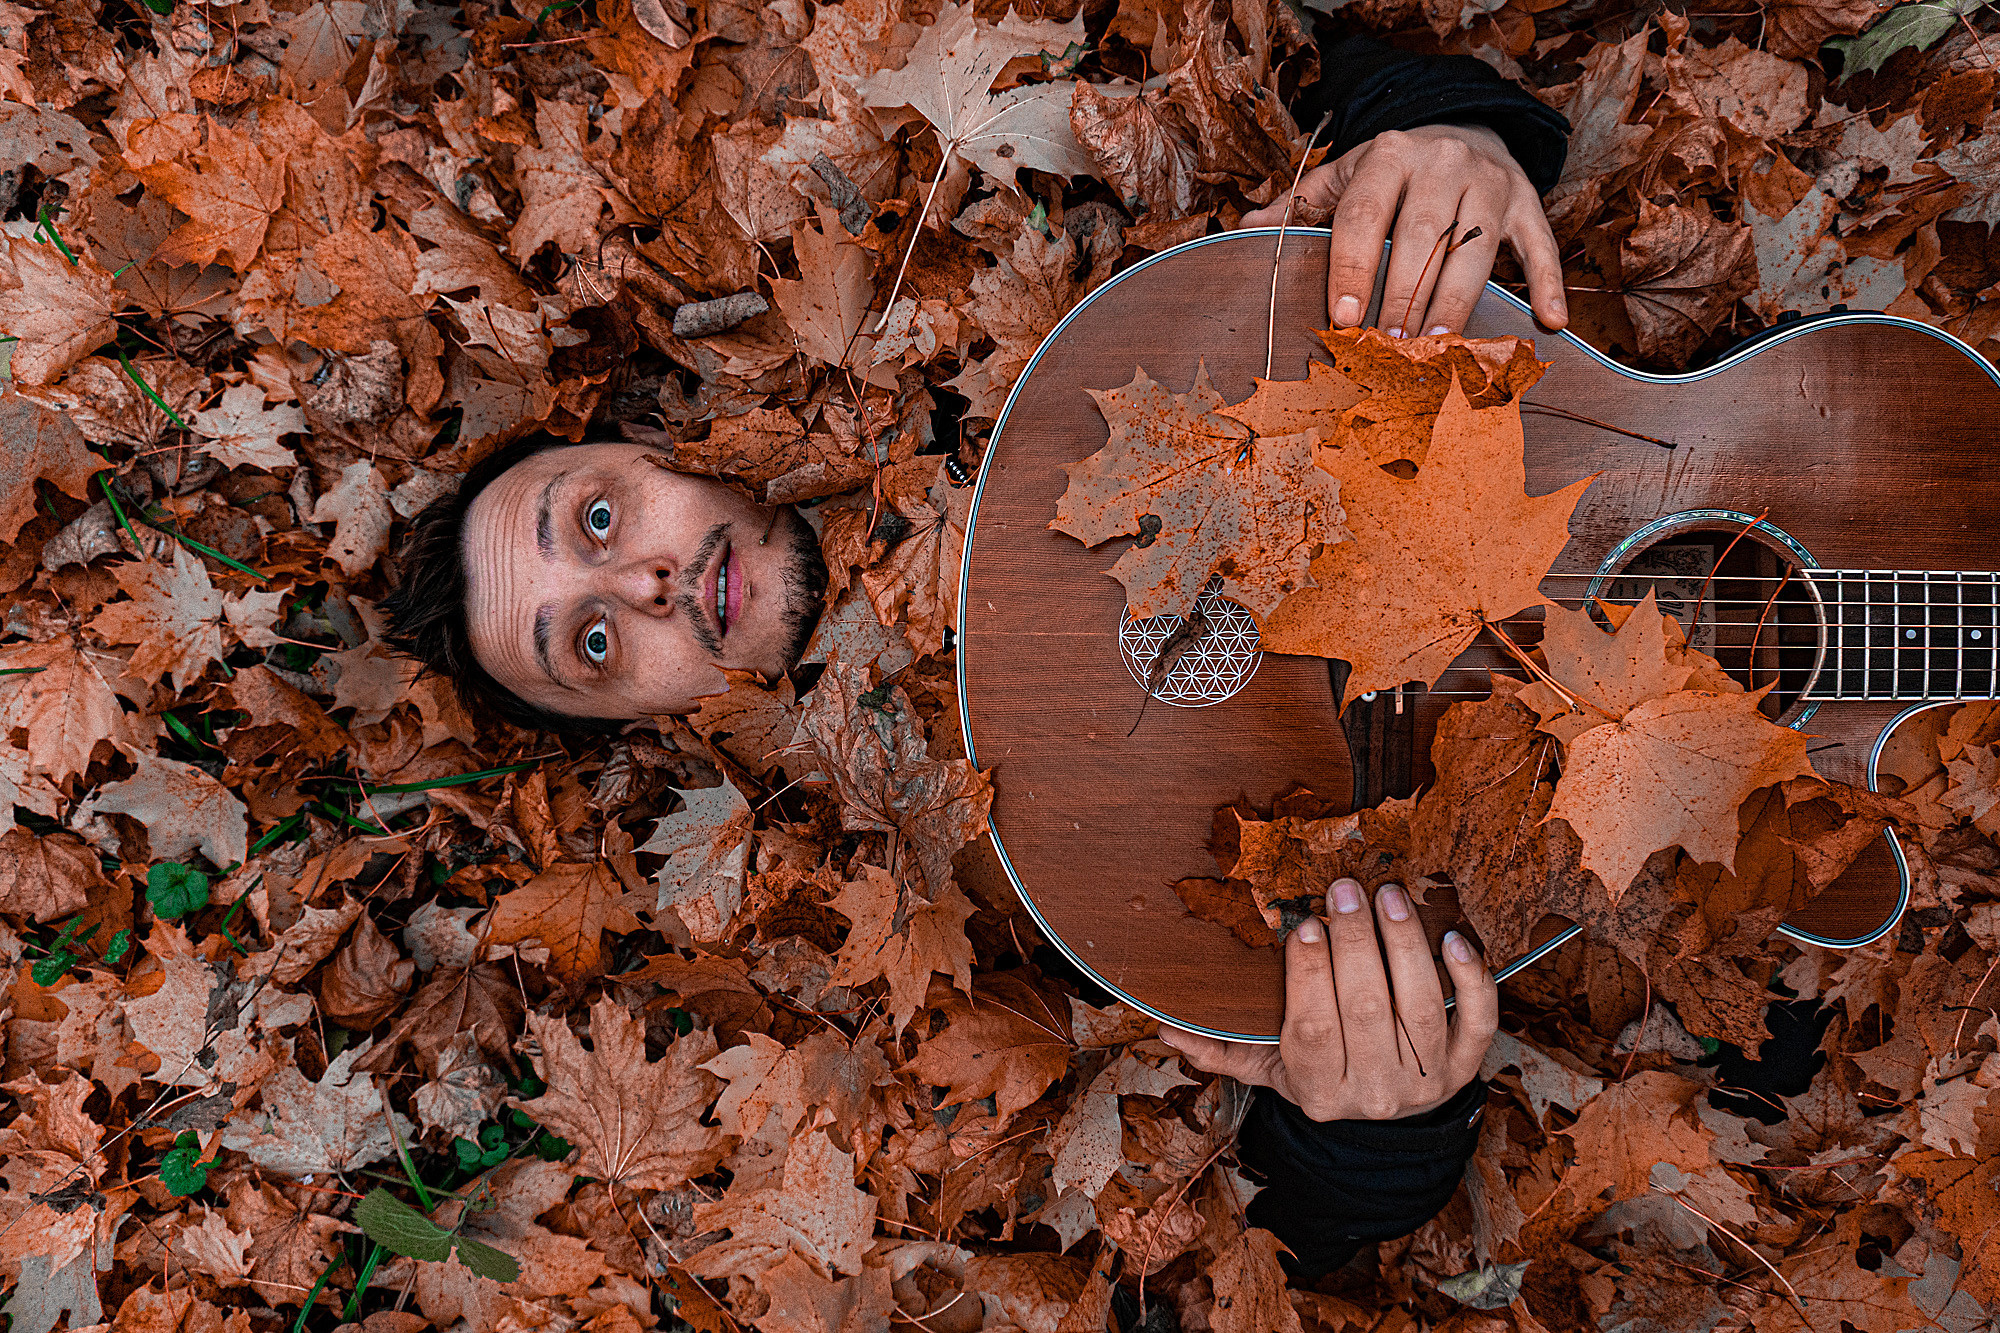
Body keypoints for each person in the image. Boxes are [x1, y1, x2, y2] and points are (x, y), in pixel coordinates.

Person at [383, 17, 1573, 1291]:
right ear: (652, 723)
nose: (646, 580)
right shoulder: (906, 939)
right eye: (596, 640)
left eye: (598, 519)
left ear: (651, 439)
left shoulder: (975, 294)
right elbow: (1217, 1245)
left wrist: (1446, 140)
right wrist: (1369, 1127)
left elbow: (1294, 57)